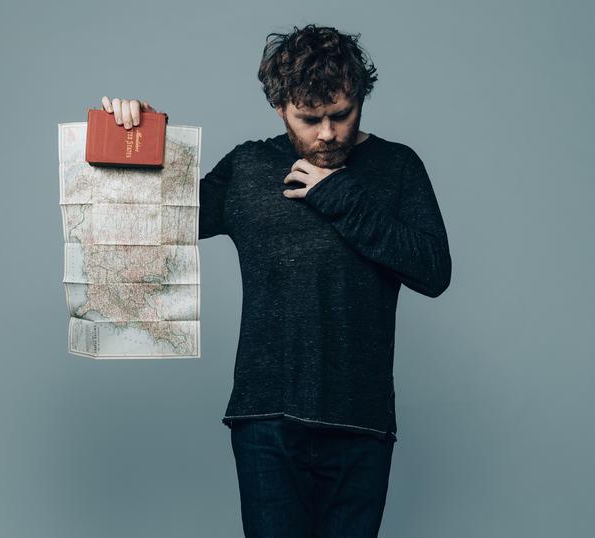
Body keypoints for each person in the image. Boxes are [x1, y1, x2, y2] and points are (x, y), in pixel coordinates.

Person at [101, 23, 451, 538]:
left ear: (360, 98)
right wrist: (135, 139)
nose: (328, 133)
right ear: (280, 107)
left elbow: (433, 271)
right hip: (266, 419)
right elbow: (147, 220)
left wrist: (342, 196)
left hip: (362, 423)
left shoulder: (397, 167)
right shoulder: (249, 168)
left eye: (341, 114)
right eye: (310, 119)